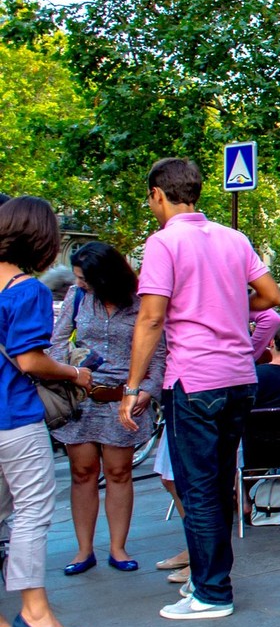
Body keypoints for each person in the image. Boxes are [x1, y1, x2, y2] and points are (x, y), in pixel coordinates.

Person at [123, 158, 280, 621]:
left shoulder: (163, 242)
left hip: (194, 379)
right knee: (218, 484)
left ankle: (212, 592)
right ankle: (208, 581)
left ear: (158, 194)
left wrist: (133, 387)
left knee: (198, 490)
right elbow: (271, 298)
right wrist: (228, 306)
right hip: (238, 378)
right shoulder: (234, 239)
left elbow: (152, 317)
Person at [0, 196, 92, 627]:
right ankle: (34, 611)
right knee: (32, 512)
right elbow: (30, 361)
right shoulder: (27, 290)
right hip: (14, 419)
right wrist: (76, 372)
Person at [50, 242, 165, 577]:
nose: (80, 283)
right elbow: (56, 341)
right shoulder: (77, 297)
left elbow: (158, 352)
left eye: (85, 278)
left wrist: (147, 390)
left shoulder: (143, 301)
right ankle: (84, 549)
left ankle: (118, 547)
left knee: (119, 473)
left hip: (122, 400)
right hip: (82, 400)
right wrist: (67, 371)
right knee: (82, 473)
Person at [154, 306, 278, 586]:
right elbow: (271, 309)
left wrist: (134, 386)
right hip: (229, 379)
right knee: (205, 481)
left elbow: (271, 314)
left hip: (191, 382)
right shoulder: (228, 281)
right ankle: (205, 561)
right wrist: (249, 353)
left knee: (196, 484)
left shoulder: (188, 287)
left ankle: (204, 567)